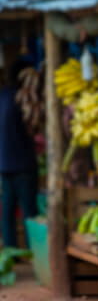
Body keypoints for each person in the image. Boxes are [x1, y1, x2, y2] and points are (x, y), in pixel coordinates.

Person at [0, 59, 38, 249]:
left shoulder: (2, 96)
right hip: (24, 164)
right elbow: (31, 128)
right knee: (29, 212)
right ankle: (34, 252)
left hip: (5, 165)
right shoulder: (24, 98)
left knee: (7, 213)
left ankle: (12, 252)